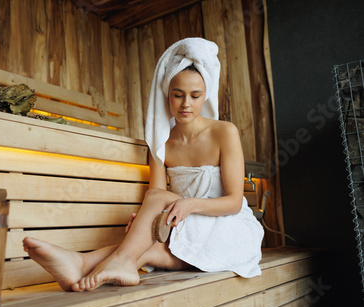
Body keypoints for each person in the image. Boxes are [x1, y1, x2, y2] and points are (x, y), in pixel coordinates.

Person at [23, 38, 264, 292]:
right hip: (187, 228)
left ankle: (92, 260)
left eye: (195, 96)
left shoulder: (224, 132)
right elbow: (156, 196)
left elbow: (234, 202)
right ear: (167, 95)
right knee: (147, 248)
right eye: (178, 95)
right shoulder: (162, 143)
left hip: (228, 229)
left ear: (205, 95)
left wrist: (188, 204)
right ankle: (86, 262)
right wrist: (144, 223)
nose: (186, 104)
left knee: (150, 228)